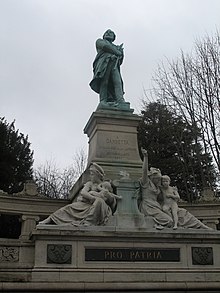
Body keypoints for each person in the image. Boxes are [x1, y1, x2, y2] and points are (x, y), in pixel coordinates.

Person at [139, 148, 211, 230]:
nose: (159, 180)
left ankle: (201, 226)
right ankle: (153, 223)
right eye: (157, 179)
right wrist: (145, 157)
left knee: (183, 213)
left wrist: (173, 195)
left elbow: (167, 198)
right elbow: (144, 171)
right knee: (169, 220)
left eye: (159, 179)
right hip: (149, 207)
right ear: (151, 177)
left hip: (159, 206)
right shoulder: (146, 183)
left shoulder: (159, 187)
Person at [39, 163, 117, 226]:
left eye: (92, 174)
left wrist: (106, 196)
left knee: (99, 201)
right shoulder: (90, 184)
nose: (90, 176)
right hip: (86, 204)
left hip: (100, 207)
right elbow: (83, 192)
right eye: (90, 174)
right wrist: (92, 198)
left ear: (98, 175)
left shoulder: (105, 185)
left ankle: (89, 222)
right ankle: (50, 219)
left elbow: (111, 199)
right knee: (68, 208)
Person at [89, 29, 125, 107]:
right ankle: (103, 101)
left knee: (117, 82)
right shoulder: (99, 41)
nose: (108, 33)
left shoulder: (116, 47)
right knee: (104, 81)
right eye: (107, 32)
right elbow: (105, 47)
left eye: (111, 33)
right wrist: (117, 52)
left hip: (114, 64)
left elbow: (120, 61)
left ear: (114, 37)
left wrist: (121, 54)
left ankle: (120, 100)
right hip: (104, 64)